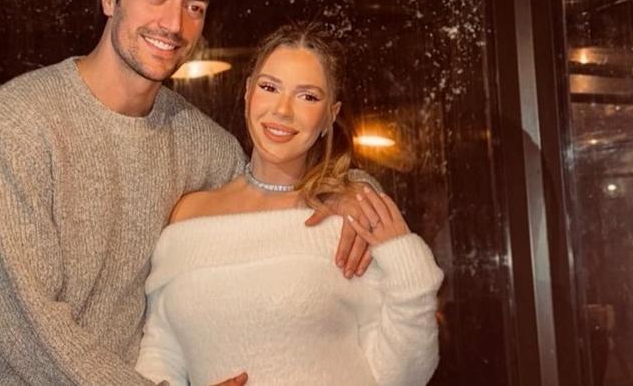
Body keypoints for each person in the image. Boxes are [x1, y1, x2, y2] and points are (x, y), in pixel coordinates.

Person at [0, 0, 382, 385]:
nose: (174, 24)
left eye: (194, 7)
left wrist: (351, 192)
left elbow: (273, 190)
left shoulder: (202, 146)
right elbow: (25, 327)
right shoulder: (15, 123)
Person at [135, 22, 444, 386]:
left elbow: (402, 374)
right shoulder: (188, 215)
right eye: (269, 88)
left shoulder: (349, 219)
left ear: (330, 115)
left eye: (308, 96)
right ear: (248, 94)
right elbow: (161, 351)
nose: (282, 110)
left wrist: (408, 265)